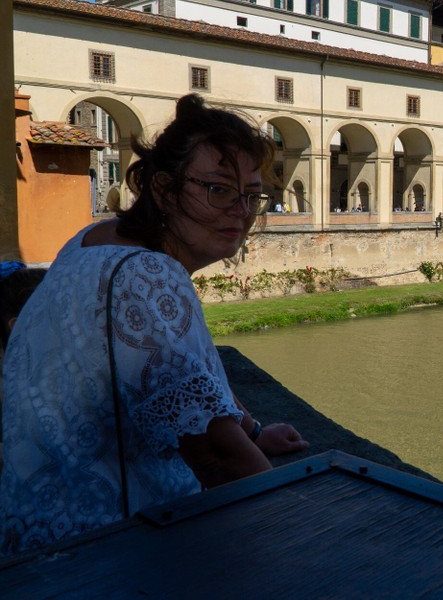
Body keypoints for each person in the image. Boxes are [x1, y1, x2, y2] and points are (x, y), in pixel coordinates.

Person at [0, 95, 307, 555]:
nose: (241, 211)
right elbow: (216, 456)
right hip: (95, 550)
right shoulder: (147, 274)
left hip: (32, 528)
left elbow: (183, 376)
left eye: (251, 195)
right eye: (217, 189)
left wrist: (254, 431)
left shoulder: (91, 240)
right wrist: (308, 535)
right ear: (164, 190)